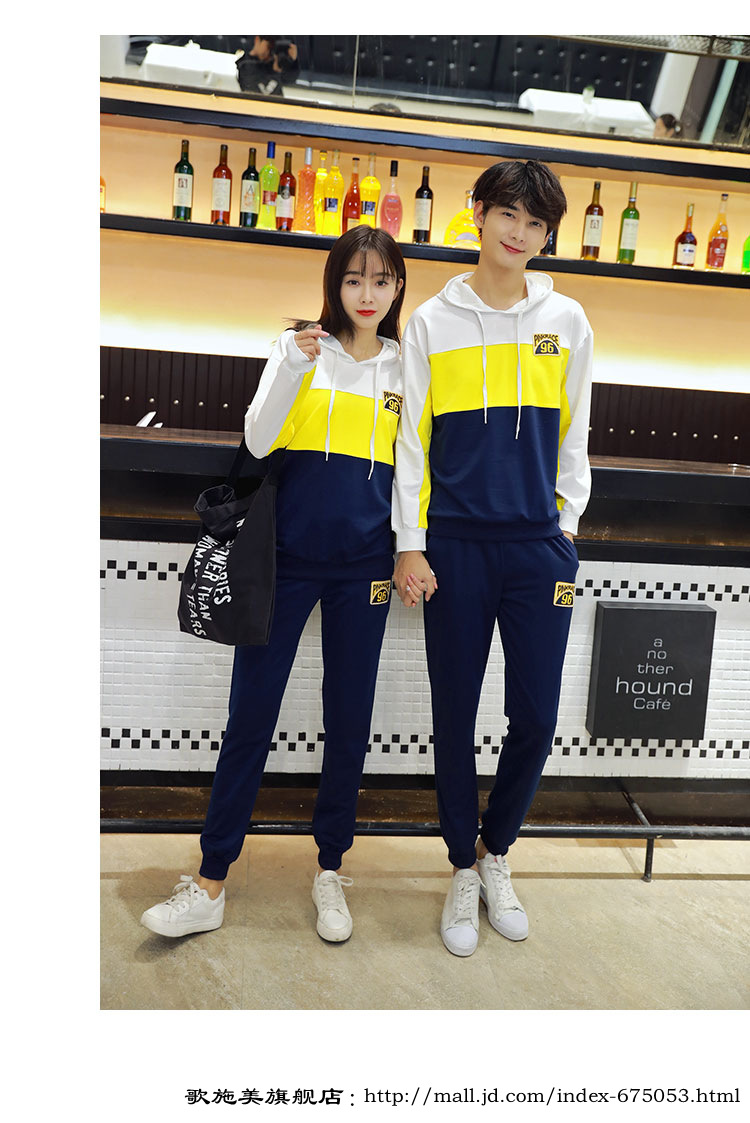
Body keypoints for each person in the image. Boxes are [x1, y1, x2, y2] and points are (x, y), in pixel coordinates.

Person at [141, 225, 406, 942]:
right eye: (354, 279)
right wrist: (291, 363)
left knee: (349, 717)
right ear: (334, 284)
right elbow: (258, 440)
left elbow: (414, 469)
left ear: (397, 287)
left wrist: (410, 548)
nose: (367, 294)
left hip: (366, 568)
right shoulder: (298, 349)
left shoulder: (407, 367)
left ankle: (331, 870)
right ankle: (211, 880)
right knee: (250, 717)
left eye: (381, 280)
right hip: (285, 559)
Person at [392, 159, 593, 957]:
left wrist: (566, 528)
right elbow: (411, 443)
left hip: (539, 549)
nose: (520, 232)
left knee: (536, 716)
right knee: (453, 711)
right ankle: (458, 865)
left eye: (536, 223)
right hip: (455, 548)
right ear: (476, 213)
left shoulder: (566, 318)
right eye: (508, 213)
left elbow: (576, 429)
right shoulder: (430, 322)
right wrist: (411, 543)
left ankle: (495, 850)